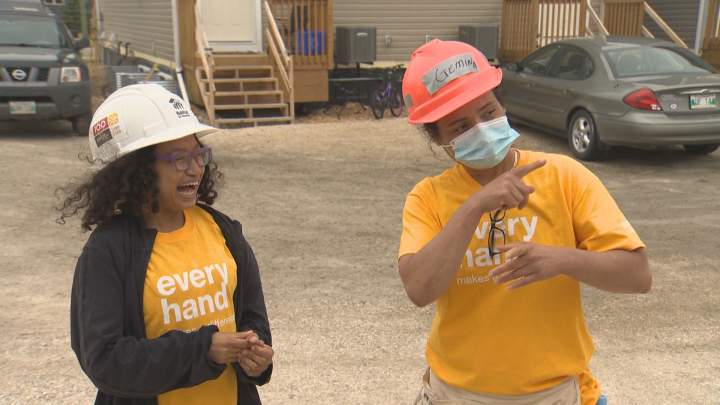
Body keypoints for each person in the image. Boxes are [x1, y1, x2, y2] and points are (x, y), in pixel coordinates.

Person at [398, 40, 651, 405]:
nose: (481, 128)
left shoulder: (563, 176)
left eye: (488, 111)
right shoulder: (428, 197)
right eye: (460, 126)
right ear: (438, 138)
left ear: (502, 105)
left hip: (552, 394)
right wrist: (474, 206)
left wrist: (561, 259)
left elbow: (638, 275)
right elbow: (420, 289)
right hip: (456, 394)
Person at [60, 84, 273, 405]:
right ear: (137, 169)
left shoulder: (225, 231)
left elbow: (253, 319)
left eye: (198, 154)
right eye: (178, 158)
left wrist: (256, 356)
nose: (195, 168)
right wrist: (203, 350)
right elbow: (104, 360)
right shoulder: (107, 251)